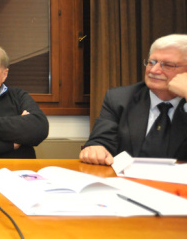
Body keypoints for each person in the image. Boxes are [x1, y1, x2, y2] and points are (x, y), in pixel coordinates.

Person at [80, 34, 187, 165]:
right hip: (128, 182)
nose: (154, 70)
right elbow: (101, 141)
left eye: (168, 65)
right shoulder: (120, 98)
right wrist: (96, 148)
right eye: (151, 62)